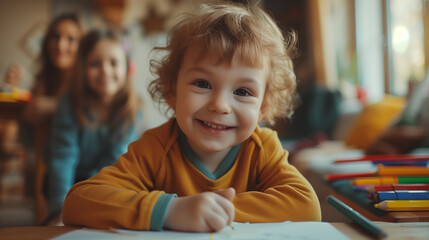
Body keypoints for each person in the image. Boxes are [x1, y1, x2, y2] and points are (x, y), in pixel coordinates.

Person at [62, 0, 321, 232]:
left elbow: (307, 205)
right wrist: (172, 211)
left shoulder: (263, 148)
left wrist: (214, 211)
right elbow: (79, 202)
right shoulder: (155, 148)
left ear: (263, 106)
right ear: (171, 90)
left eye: (242, 91)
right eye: (202, 84)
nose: (220, 106)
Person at [44, 28, 143, 225]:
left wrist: (95, 197)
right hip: (69, 181)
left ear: (126, 67)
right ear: (82, 68)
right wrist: (60, 210)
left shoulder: (131, 109)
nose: (105, 70)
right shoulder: (70, 103)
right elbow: (63, 157)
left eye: (114, 63)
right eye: (95, 64)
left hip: (110, 180)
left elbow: (115, 163)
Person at [365, 69, 429, 155]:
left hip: (418, 137)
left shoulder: (422, 103)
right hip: (405, 130)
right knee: (376, 146)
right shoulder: (405, 114)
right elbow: (379, 139)